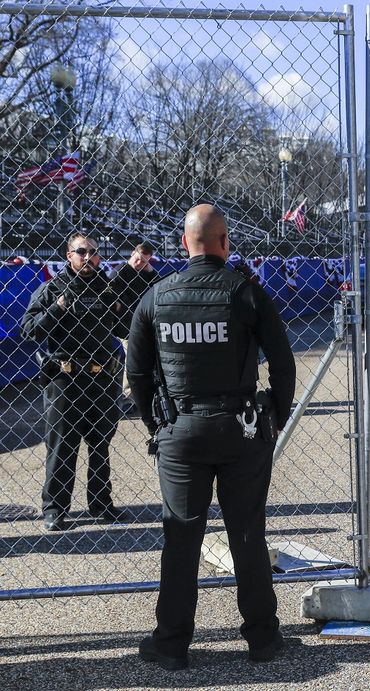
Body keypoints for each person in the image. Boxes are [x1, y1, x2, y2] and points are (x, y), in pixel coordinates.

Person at [127, 204, 296, 670]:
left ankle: (172, 643)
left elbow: (137, 372)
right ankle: (262, 638)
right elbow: (283, 363)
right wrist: (274, 418)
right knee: (246, 533)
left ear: (185, 244)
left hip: (181, 432)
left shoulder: (157, 297)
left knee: (181, 538)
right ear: (225, 243)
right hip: (241, 430)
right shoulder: (247, 293)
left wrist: (157, 424)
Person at [21, 233, 126, 531]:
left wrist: (120, 309)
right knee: (62, 446)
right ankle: (54, 509)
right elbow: (28, 330)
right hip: (64, 379)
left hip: (103, 376)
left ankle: (101, 503)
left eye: (94, 252)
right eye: (82, 251)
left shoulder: (109, 289)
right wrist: (57, 308)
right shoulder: (52, 289)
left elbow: (125, 327)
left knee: (101, 442)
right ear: (69, 256)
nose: (89, 257)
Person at [109, 242, 158, 408]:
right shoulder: (119, 273)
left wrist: (150, 270)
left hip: (143, 324)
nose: (140, 264)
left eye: (144, 261)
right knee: (132, 358)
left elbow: (158, 287)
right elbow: (115, 300)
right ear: (132, 253)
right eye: (138, 259)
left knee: (143, 359)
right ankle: (128, 397)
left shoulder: (144, 272)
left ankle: (139, 394)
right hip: (127, 326)